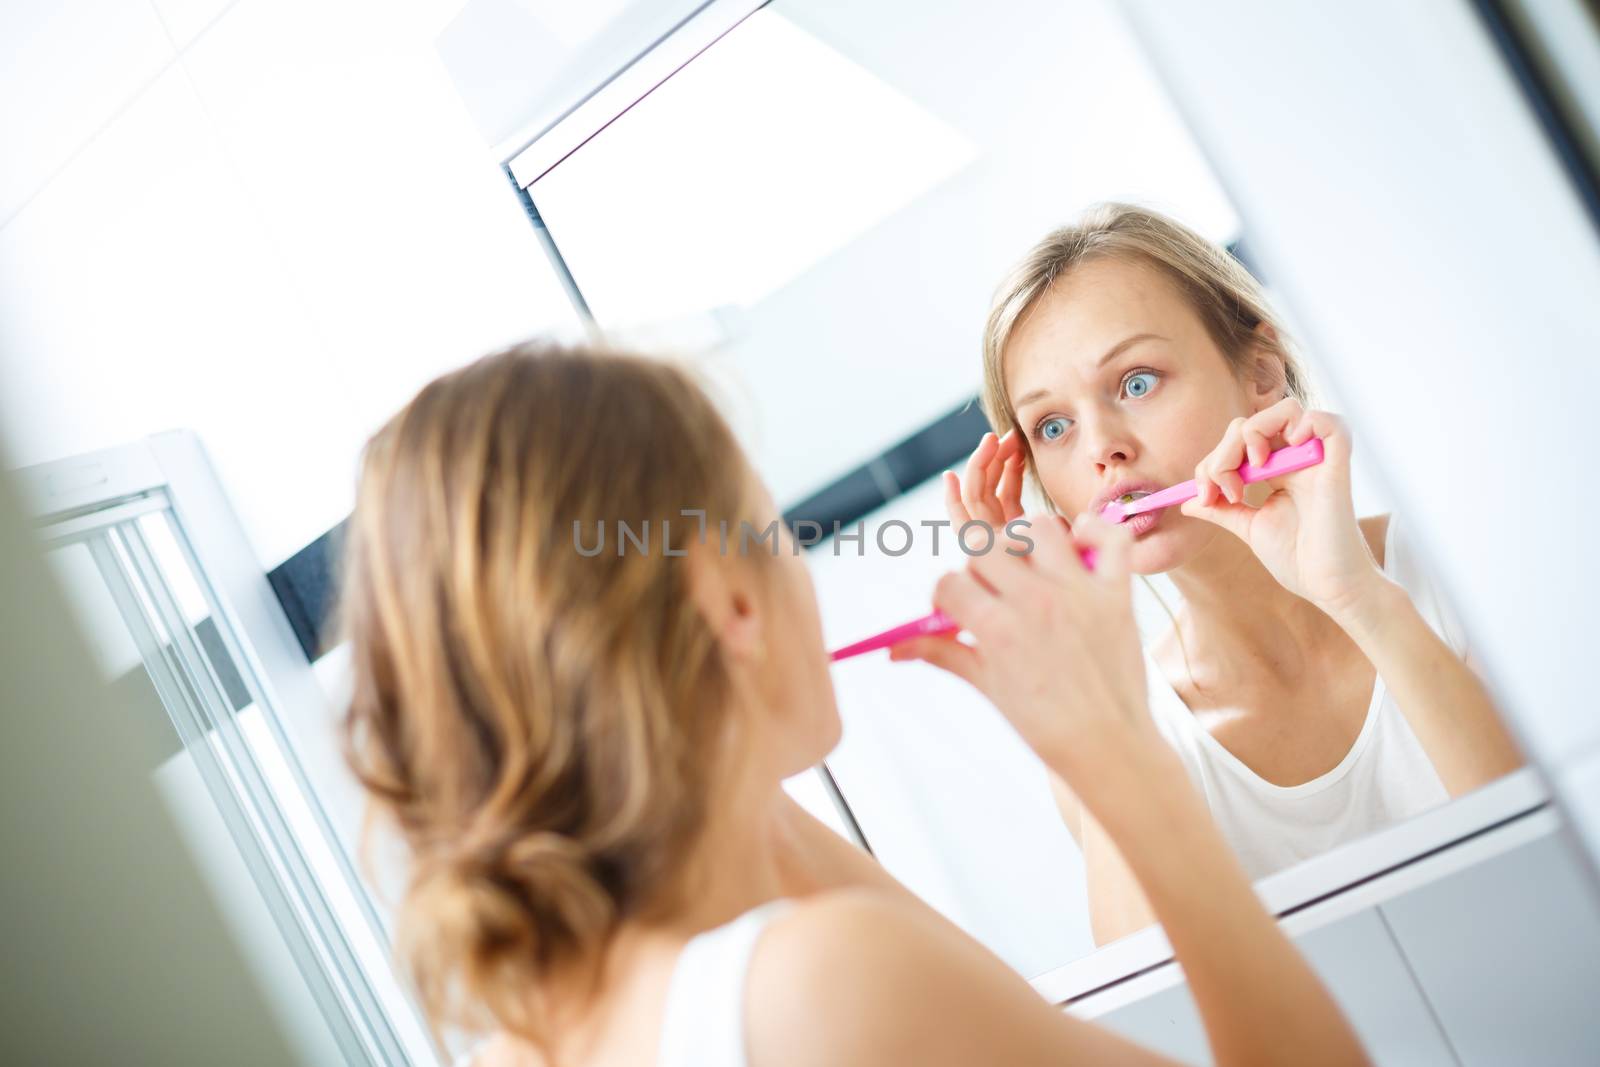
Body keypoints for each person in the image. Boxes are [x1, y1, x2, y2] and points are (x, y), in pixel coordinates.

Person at [339, 341, 1370, 1066]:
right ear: (730, 598)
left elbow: (992, 1021)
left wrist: (706, 744)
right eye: (772, 529)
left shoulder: (535, 1040)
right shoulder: (818, 982)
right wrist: (1117, 745)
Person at [901, 202, 1524, 944]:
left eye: (1135, 382)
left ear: (1260, 371)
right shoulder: (1118, 735)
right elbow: (1174, 1019)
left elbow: (1551, 854)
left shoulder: (1470, 566)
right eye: (1054, 427)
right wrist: (1087, 691)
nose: (1103, 449)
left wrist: (1360, 599)